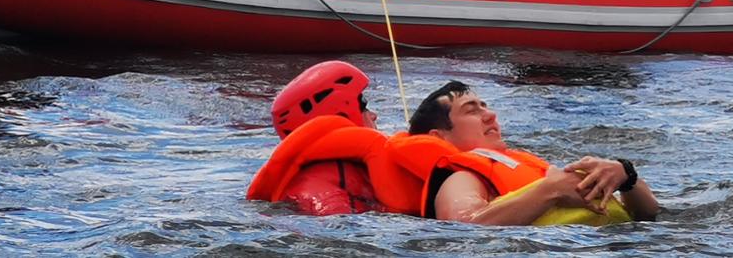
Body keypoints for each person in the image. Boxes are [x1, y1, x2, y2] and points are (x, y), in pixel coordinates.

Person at [410, 81, 659, 225]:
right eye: (471, 110)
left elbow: (647, 215)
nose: (490, 115)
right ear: (439, 137)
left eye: (485, 106)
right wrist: (550, 191)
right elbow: (465, 227)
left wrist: (625, 175)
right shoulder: (462, 177)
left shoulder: (531, 165)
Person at [247, 61, 388, 216]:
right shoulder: (323, 194)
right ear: (341, 112)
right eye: (363, 106)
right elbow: (340, 232)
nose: (374, 115)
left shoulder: (357, 171)